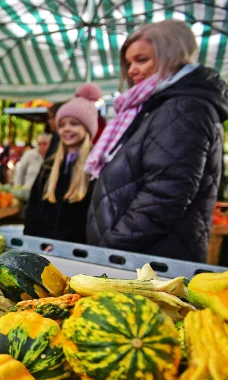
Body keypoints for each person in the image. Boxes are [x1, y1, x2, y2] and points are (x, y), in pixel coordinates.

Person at [87, 20, 228, 262]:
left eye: (142, 60)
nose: (131, 70)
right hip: (141, 256)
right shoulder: (156, 106)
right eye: (129, 62)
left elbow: (166, 192)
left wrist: (113, 243)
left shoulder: (182, 107)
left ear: (171, 56)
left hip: (149, 261)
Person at [24, 84, 101, 244]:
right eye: (62, 124)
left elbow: (89, 219)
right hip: (42, 249)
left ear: (88, 128)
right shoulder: (50, 166)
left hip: (75, 253)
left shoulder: (95, 169)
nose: (67, 129)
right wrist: (33, 242)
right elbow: (34, 207)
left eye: (74, 123)